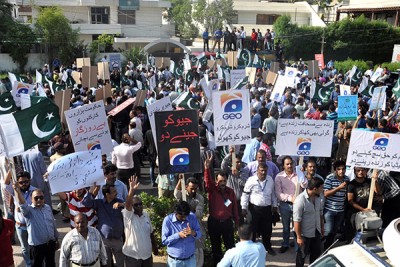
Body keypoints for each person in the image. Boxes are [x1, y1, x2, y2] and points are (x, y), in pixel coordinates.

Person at [204, 152, 239, 265]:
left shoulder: (230, 192)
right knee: (216, 247)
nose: (222, 183)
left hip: (227, 223)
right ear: (216, 181)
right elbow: (208, 182)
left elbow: (234, 208)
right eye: (220, 181)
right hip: (214, 223)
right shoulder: (212, 190)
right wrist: (207, 168)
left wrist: (237, 223)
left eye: (224, 181)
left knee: (230, 246)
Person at [14, 186, 59, 267]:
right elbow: (23, 204)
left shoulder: (47, 207)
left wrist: (56, 238)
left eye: (41, 197)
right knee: (37, 265)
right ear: (31, 199)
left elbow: (53, 223)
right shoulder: (28, 211)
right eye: (36, 198)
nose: (39, 200)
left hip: (50, 243)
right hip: (37, 247)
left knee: (51, 263)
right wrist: (18, 191)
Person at [82, 184, 125, 267]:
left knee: (120, 263)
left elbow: (130, 205)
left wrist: (122, 205)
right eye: (114, 192)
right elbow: (86, 203)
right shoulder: (99, 203)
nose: (116, 193)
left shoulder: (119, 201)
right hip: (104, 240)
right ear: (107, 194)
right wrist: (91, 191)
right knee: (106, 263)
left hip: (118, 239)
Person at [241, 162, 277, 256]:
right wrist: (244, 207)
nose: (263, 172)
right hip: (254, 209)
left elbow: (273, 193)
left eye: (265, 170)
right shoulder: (251, 180)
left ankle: (268, 247)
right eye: (261, 170)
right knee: (252, 229)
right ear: (257, 171)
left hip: (267, 209)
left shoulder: (270, 180)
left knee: (267, 230)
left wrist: (275, 205)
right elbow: (245, 194)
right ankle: (251, 249)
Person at [275, 156, 307, 253]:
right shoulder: (279, 177)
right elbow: (278, 193)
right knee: (285, 226)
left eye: (291, 164)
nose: (289, 166)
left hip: (298, 204)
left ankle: (298, 246)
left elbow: (305, 185)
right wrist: (290, 198)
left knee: (297, 226)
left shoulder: (298, 174)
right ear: (283, 166)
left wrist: (302, 174)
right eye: (287, 164)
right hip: (285, 205)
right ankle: (285, 243)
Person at [123, 177, 158, 267]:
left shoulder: (146, 214)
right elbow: (127, 204)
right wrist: (131, 190)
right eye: (136, 205)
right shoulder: (128, 216)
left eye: (140, 204)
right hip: (133, 257)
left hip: (147, 256)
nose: (139, 206)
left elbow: (151, 233)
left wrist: (155, 247)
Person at [5, 171, 36, 267]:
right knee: (25, 248)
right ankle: (29, 264)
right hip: (20, 225)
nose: (24, 184)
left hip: (32, 224)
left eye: (26, 182)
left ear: (29, 180)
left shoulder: (35, 191)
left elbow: (39, 205)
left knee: (34, 246)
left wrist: (26, 207)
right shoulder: (15, 190)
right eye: (21, 182)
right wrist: (10, 169)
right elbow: (6, 183)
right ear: (17, 183)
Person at [174, 176, 205, 267]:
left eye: (195, 189)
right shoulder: (182, 195)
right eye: (191, 188)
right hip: (182, 228)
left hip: (195, 228)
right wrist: (180, 180)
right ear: (186, 186)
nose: (193, 191)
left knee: (198, 253)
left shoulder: (200, 198)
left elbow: (198, 214)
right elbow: (176, 194)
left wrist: (186, 208)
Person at [293, 177, 324, 267]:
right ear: (315, 189)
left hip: (316, 231)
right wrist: (299, 237)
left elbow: (320, 214)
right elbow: (297, 221)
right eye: (321, 188)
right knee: (301, 256)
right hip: (304, 234)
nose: (323, 190)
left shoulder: (318, 198)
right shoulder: (300, 200)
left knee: (316, 255)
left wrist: (321, 227)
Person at [345, 167, 381, 243]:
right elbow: (350, 201)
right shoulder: (351, 184)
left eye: (362, 170)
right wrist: (363, 209)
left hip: (369, 209)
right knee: (354, 227)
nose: (360, 172)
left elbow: (378, 192)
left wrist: (375, 181)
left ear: (366, 171)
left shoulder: (370, 181)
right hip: (356, 211)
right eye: (358, 170)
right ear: (354, 172)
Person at [162, 200, 202, 267]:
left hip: (190, 260)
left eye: (185, 216)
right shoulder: (168, 220)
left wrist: (193, 232)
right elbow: (164, 241)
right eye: (181, 216)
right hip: (174, 262)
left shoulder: (192, 217)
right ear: (175, 213)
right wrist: (178, 235)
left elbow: (199, 234)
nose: (184, 218)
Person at [323, 160, 349, 250]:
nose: (341, 171)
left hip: (340, 210)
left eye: (343, 169)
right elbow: (325, 193)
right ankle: (321, 247)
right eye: (339, 169)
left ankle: (327, 248)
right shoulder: (330, 178)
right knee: (328, 231)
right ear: (335, 170)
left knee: (334, 232)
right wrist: (339, 188)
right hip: (329, 210)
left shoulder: (346, 179)